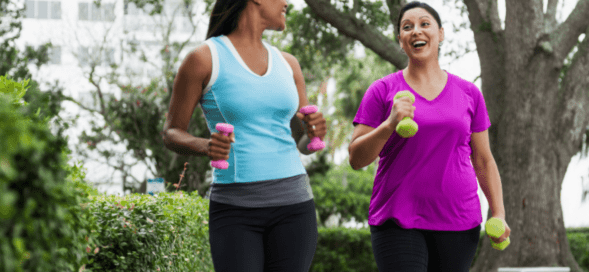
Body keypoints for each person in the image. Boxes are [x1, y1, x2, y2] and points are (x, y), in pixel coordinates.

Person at [161, 0, 327, 270]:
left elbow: (303, 144)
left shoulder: (288, 64)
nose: (287, 3)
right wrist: (206, 146)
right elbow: (171, 133)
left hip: (296, 207)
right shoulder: (204, 58)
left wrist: (315, 132)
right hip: (235, 210)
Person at [347, 2, 510, 271]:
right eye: (407, 27)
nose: (416, 31)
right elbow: (356, 158)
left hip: (458, 219)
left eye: (425, 24)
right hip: (397, 218)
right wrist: (389, 124)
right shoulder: (382, 90)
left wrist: (499, 213)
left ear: (441, 34)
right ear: (400, 40)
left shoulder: (469, 93)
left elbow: (483, 160)